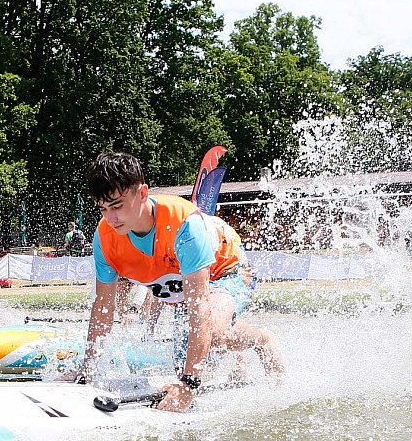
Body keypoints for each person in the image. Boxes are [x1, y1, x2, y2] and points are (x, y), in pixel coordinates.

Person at [78, 151, 283, 412]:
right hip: (179, 286)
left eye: (117, 206)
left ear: (142, 194)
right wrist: (87, 372)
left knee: (215, 337)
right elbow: (103, 309)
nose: (111, 218)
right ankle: (233, 344)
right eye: (103, 209)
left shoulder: (183, 224)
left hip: (225, 269)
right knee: (189, 358)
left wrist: (188, 385)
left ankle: (261, 339)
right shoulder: (105, 238)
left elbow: (200, 307)